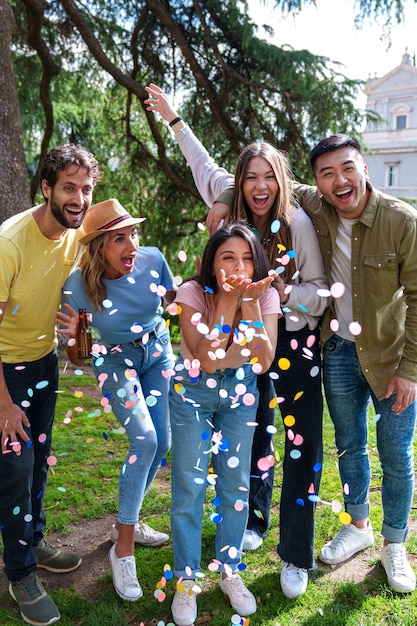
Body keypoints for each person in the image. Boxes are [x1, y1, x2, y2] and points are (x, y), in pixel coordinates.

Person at [144, 83, 329, 599]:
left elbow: (316, 289)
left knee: (300, 440)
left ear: (281, 180)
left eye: (270, 176)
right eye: (251, 178)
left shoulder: (298, 224)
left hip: (290, 342)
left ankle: (296, 552)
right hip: (230, 345)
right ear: (242, 183)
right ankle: (250, 519)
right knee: (253, 431)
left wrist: (277, 297)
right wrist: (174, 118)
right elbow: (203, 165)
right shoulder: (233, 215)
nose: (260, 185)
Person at [212, 133, 417, 594]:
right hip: (292, 345)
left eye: (347, 168)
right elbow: (235, 176)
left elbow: (333, 293)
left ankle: (342, 550)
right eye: (327, 173)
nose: (338, 180)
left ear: (364, 167)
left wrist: (285, 295)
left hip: (341, 350)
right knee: (312, 442)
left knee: (352, 452)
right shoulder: (278, 215)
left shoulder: (380, 220)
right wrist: (226, 196)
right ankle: (327, 524)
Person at [0, 143, 101, 626]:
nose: (79, 197)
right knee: (14, 468)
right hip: (5, 371)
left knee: (38, 458)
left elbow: (80, 295)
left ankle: (34, 541)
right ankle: (20, 573)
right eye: (69, 188)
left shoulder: (75, 237)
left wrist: (78, 327)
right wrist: (2, 402)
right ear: (46, 188)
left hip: (43, 364)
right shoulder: (10, 242)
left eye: (86, 189)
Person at [56, 198, 176, 602]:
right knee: (144, 440)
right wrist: (74, 334)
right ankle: (122, 547)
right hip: (113, 357)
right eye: (119, 239)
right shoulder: (76, 286)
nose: (132, 246)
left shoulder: (153, 259)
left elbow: (174, 302)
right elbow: (79, 357)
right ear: (98, 247)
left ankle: (130, 519)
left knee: (163, 442)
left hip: (157, 351)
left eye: (133, 235)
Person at [168, 221, 280, 625]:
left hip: (240, 393)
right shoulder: (192, 294)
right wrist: (230, 302)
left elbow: (263, 362)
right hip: (192, 391)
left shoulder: (265, 297)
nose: (238, 266)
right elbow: (207, 360)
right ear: (211, 262)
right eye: (228, 257)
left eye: (247, 259)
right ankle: (186, 578)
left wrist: (250, 303)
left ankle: (229, 570)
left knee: (235, 484)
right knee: (189, 484)